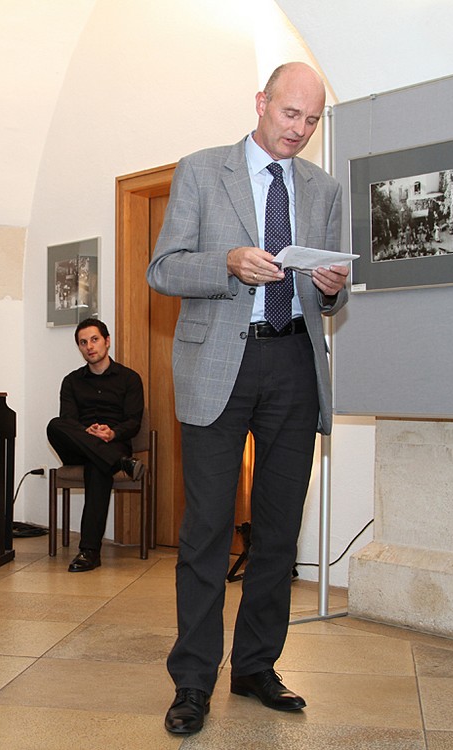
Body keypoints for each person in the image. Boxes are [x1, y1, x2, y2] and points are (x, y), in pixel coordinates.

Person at [146, 62, 350, 735]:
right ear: (261, 102)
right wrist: (227, 262)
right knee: (206, 530)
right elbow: (164, 269)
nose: (299, 130)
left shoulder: (323, 188)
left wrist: (330, 288)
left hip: (294, 362)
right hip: (218, 366)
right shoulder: (202, 171)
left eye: (311, 120)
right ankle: (193, 680)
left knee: (278, 530)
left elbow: (330, 292)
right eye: (290, 114)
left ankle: (257, 666)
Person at [46, 318, 145, 572]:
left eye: (94, 339)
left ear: (107, 341)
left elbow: (133, 422)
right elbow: (67, 420)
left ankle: (89, 552)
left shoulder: (130, 379)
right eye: (83, 342)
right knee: (55, 425)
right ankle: (121, 464)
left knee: (98, 465)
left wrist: (112, 433)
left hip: (114, 444)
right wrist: (86, 432)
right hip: (79, 446)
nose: (89, 346)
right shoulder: (71, 381)